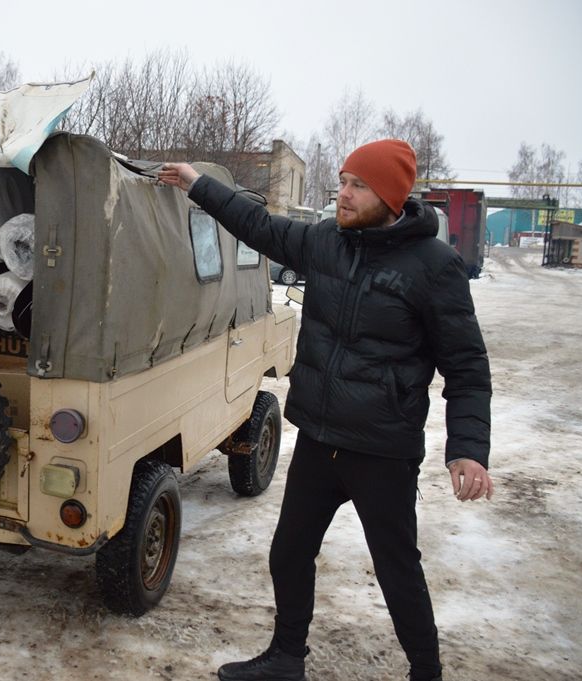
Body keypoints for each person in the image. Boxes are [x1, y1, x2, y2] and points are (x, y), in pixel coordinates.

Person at [158, 139, 493, 681]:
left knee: (397, 571)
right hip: (319, 437)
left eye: (358, 185)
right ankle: (288, 657)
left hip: (382, 450)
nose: (343, 194)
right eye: (342, 181)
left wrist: (469, 451)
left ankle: (426, 673)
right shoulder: (327, 242)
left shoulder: (434, 268)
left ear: (389, 194)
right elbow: (259, 226)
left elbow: (468, 366)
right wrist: (199, 184)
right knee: (288, 553)